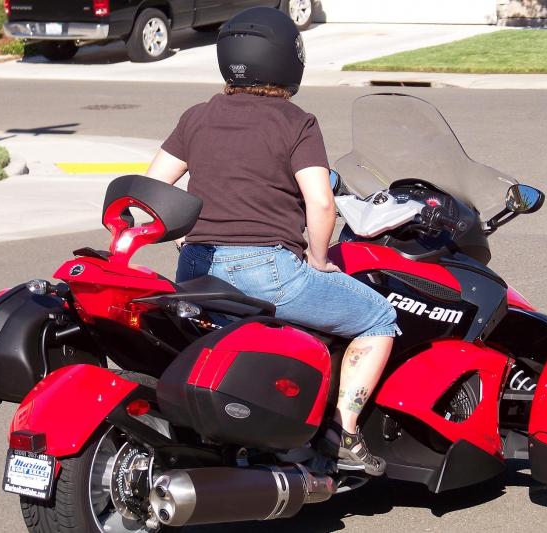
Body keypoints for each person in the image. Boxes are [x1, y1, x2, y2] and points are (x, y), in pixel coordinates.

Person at [146, 6, 397, 476]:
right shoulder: (295, 122)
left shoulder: (197, 116)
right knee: (379, 316)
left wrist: (187, 240)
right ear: (288, 58)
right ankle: (344, 431)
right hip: (266, 270)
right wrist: (318, 260)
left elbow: (154, 187)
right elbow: (321, 203)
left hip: (196, 267)